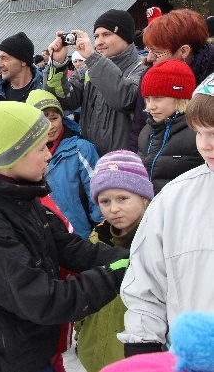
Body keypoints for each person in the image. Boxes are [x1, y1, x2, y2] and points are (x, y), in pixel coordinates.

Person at [0, 102, 130, 371]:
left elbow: (67, 247)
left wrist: (133, 256)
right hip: (10, 361)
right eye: (41, 148)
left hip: (33, 345)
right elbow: (43, 299)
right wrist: (116, 273)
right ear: (14, 156)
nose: (48, 155)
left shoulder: (18, 196)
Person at [118, 77, 214, 357]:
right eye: (199, 132)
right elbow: (145, 284)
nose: (205, 145)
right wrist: (142, 347)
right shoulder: (174, 199)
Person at [75, 150, 154, 372]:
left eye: (123, 198)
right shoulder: (95, 241)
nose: (114, 209)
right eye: (105, 201)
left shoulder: (157, 243)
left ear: (144, 197)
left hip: (135, 358)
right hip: (95, 354)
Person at [45, 9, 146, 155]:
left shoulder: (142, 69)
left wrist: (93, 58)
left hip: (122, 162)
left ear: (126, 37)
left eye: (107, 34)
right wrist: (57, 63)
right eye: (96, 36)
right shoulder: (88, 68)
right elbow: (63, 100)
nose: (99, 42)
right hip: (89, 158)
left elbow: (124, 100)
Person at [130, 9, 214, 151]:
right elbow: (139, 126)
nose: (150, 58)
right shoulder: (150, 75)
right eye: (149, 50)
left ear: (183, 51)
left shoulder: (209, 79)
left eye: (157, 52)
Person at [26, 90, 102, 238]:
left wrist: (99, 231)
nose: (50, 126)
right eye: (42, 121)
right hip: (48, 239)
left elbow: (98, 192)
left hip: (82, 237)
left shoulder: (81, 149)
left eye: (54, 118)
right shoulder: (26, 158)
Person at [137, 60, 202, 194]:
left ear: (180, 98)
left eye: (158, 98)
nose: (150, 106)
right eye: (147, 99)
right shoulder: (147, 131)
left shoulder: (198, 134)